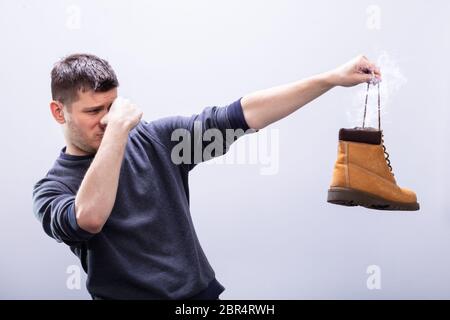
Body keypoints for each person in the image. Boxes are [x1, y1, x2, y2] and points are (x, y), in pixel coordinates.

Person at [32, 53, 381, 300]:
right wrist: (119, 131)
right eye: (94, 111)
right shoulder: (52, 190)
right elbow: (89, 218)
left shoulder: (158, 140)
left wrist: (330, 79)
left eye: (113, 107)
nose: (107, 120)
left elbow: (240, 116)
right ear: (58, 112)